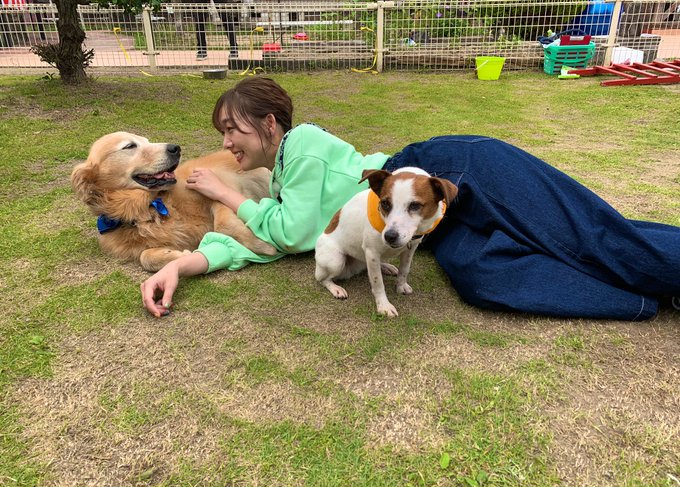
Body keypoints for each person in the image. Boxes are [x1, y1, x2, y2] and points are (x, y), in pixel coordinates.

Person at [141, 76, 680, 321]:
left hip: (442, 172)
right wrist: (182, 265)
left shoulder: (302, 145)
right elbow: (262, 242)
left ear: (268, 123)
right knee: (486, 282)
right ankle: (648, 298)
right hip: (426, 229)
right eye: (221, 132)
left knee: (584, 234)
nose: (225, 142)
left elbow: (289, 233)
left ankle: (662, 269)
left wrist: (225, 194)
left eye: (231, 128)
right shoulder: (280, 179)